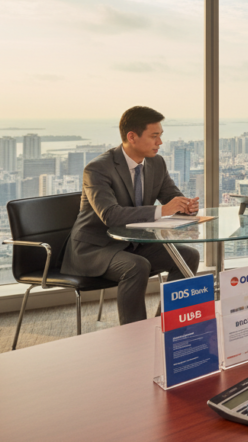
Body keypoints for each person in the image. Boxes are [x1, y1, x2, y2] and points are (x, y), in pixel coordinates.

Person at [61, 106, 201, 326]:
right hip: (95, 248)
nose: (160, 143)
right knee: (136, 267)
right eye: (154, 136)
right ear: (132, 137)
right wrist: (164, 210)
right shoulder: (97, 169)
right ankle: (134, 335)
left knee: (188, 256)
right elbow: (110, 215)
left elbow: (171, 195)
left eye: (161, 136)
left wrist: (185, 206)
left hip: (134, 243)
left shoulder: (156, 163)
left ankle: (167, 324)